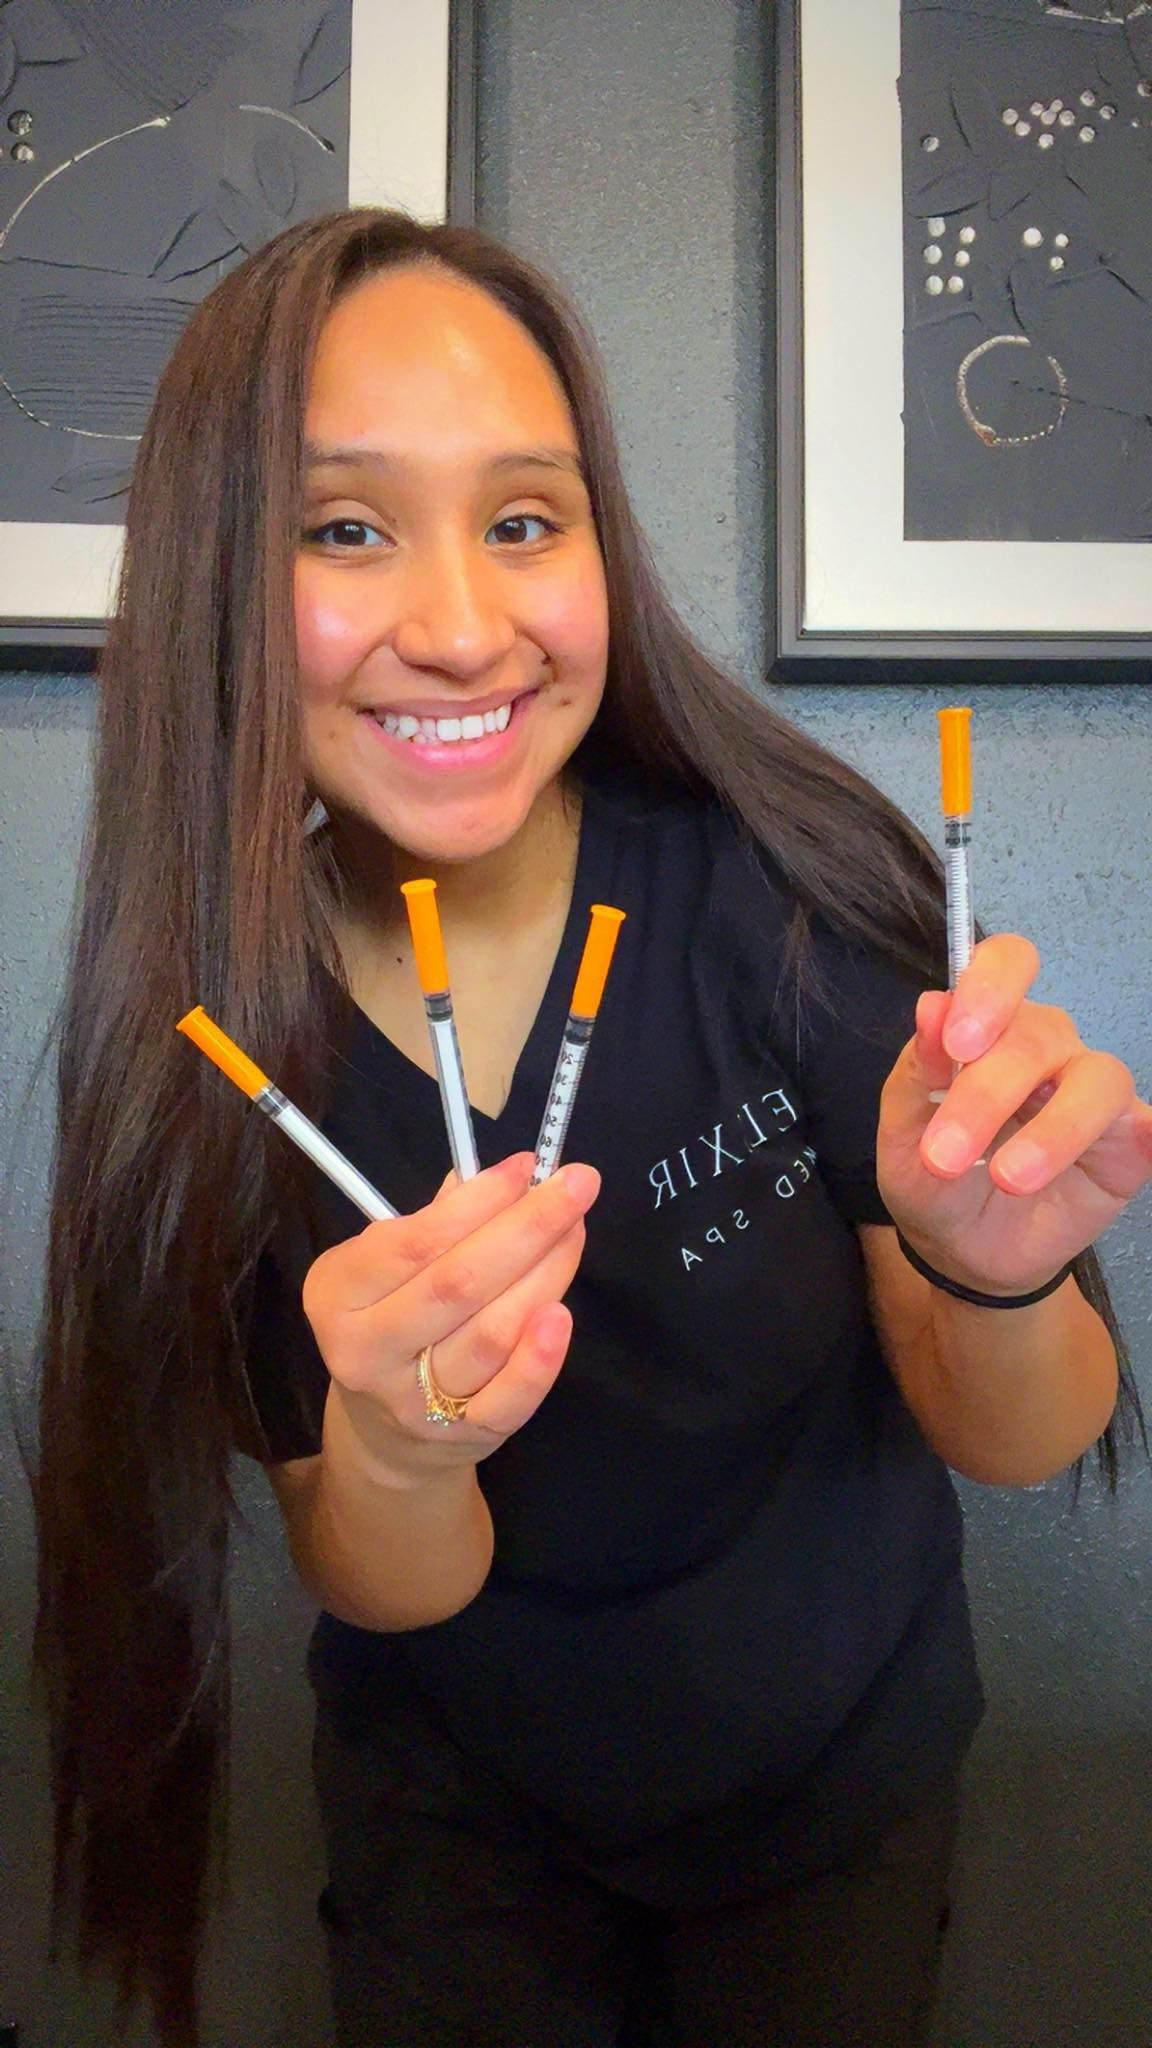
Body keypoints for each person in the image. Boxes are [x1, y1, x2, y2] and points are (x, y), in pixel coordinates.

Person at [35, 208, 1152, 2048]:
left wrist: (1001, 1275)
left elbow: (1017, 1436)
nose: (464, 625)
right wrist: (399, 1448)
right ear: (218, 576)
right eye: (344, 527)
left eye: (526, 521)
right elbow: (380, 1570)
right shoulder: (226, 1052)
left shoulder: (774, 890)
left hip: (840, 1790)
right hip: (462, 1832)